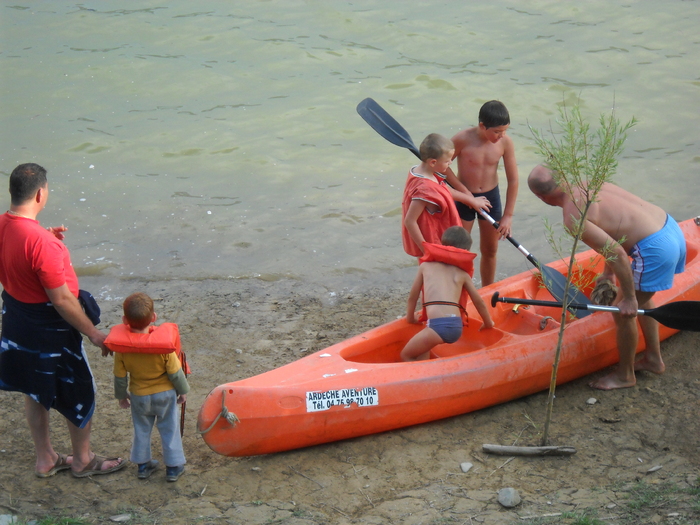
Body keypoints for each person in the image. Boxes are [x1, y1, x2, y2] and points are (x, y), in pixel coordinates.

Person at [0, 163, 126, 478]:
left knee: (35, 390)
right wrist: (94, 334)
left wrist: (44, 239)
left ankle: (45, 459)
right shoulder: (42, 244)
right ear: (41, 193)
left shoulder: (6, 226)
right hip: (49, 329)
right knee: (80, 389)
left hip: (17, 319)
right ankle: (83, 460)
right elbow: (61, 300)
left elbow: (16, 254)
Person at [527, 165, 686, 390]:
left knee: (624, 312)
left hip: (653, 249)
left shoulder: (573, 217)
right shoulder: (590, 183)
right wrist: (608, 273)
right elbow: (616, 232)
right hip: (669, 228)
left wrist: (628, 298)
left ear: (540, 197)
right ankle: (653, 359)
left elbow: (619, 253)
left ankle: (625, 376)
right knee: (643, 296)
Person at [106, 292, 190, 482]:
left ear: (124, 320)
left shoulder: (122, 349)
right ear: (153, 318)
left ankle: (143, 466)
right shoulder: (163, 347)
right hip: (165, 395)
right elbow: (175, 373)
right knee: (170, 428)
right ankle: (173, 467)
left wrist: (121, 397)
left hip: (139, 396)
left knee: (141, 429)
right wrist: (183, 392)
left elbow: (119, 377)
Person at [443, 100, 519, 287]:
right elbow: (443, 168)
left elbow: (513, 180)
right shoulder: (461, 139)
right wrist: (465, 193)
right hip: (464, 198)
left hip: (490, 198)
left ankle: (487, 289)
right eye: (497, 131)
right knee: (459, 249)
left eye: (505, 131)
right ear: (482, 125)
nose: (501, 135)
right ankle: (456, 287)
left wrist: (508, 215)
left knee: (490, 249)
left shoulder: (505, 143)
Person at [401, 226, 495, 361]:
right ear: (465, 251)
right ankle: (429, 373)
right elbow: (478, 301)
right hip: (455, 326)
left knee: (406, 354)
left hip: (438, 327)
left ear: (442, 245)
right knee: (423, 351)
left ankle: (418, 381)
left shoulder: (426, 267)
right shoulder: (462, 274)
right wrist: (488, 322)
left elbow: (413, 297)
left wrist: (410, 318)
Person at [402, 133, 491, 257]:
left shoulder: (425, 171)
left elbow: (443, 190)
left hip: (438, 240)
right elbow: (410, 221)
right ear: (433, 162)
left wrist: (471, 200)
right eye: (447, 161)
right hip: (432, 243)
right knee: (434, 274)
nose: (450, 163)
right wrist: (426, 250)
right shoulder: (424, 189)